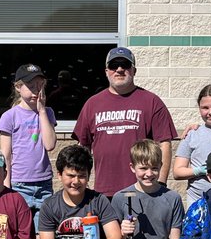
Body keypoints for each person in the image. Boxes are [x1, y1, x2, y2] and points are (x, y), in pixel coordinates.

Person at [72, 46, 178, 195]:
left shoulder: (152, 102)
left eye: (125, 65)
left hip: (143, 190)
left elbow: (164, 144)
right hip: (103, 192)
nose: (119, 69)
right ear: (106, 71)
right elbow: (82, 147)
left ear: (134, 71)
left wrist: (160, 183)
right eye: (114, 65)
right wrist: (80, 182)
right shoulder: (92, 104)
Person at [0, 63, 57, 224]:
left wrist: (42, 110)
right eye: (30, 86)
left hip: (43, 183)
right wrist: (6, 184)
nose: (36, 91)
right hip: (19, 183)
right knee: (22, 232)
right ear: (18, 87)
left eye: (39, 86)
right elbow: (6, 155)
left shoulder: (47, 112)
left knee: (42, 235)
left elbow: (50, 144)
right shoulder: (10, 116)